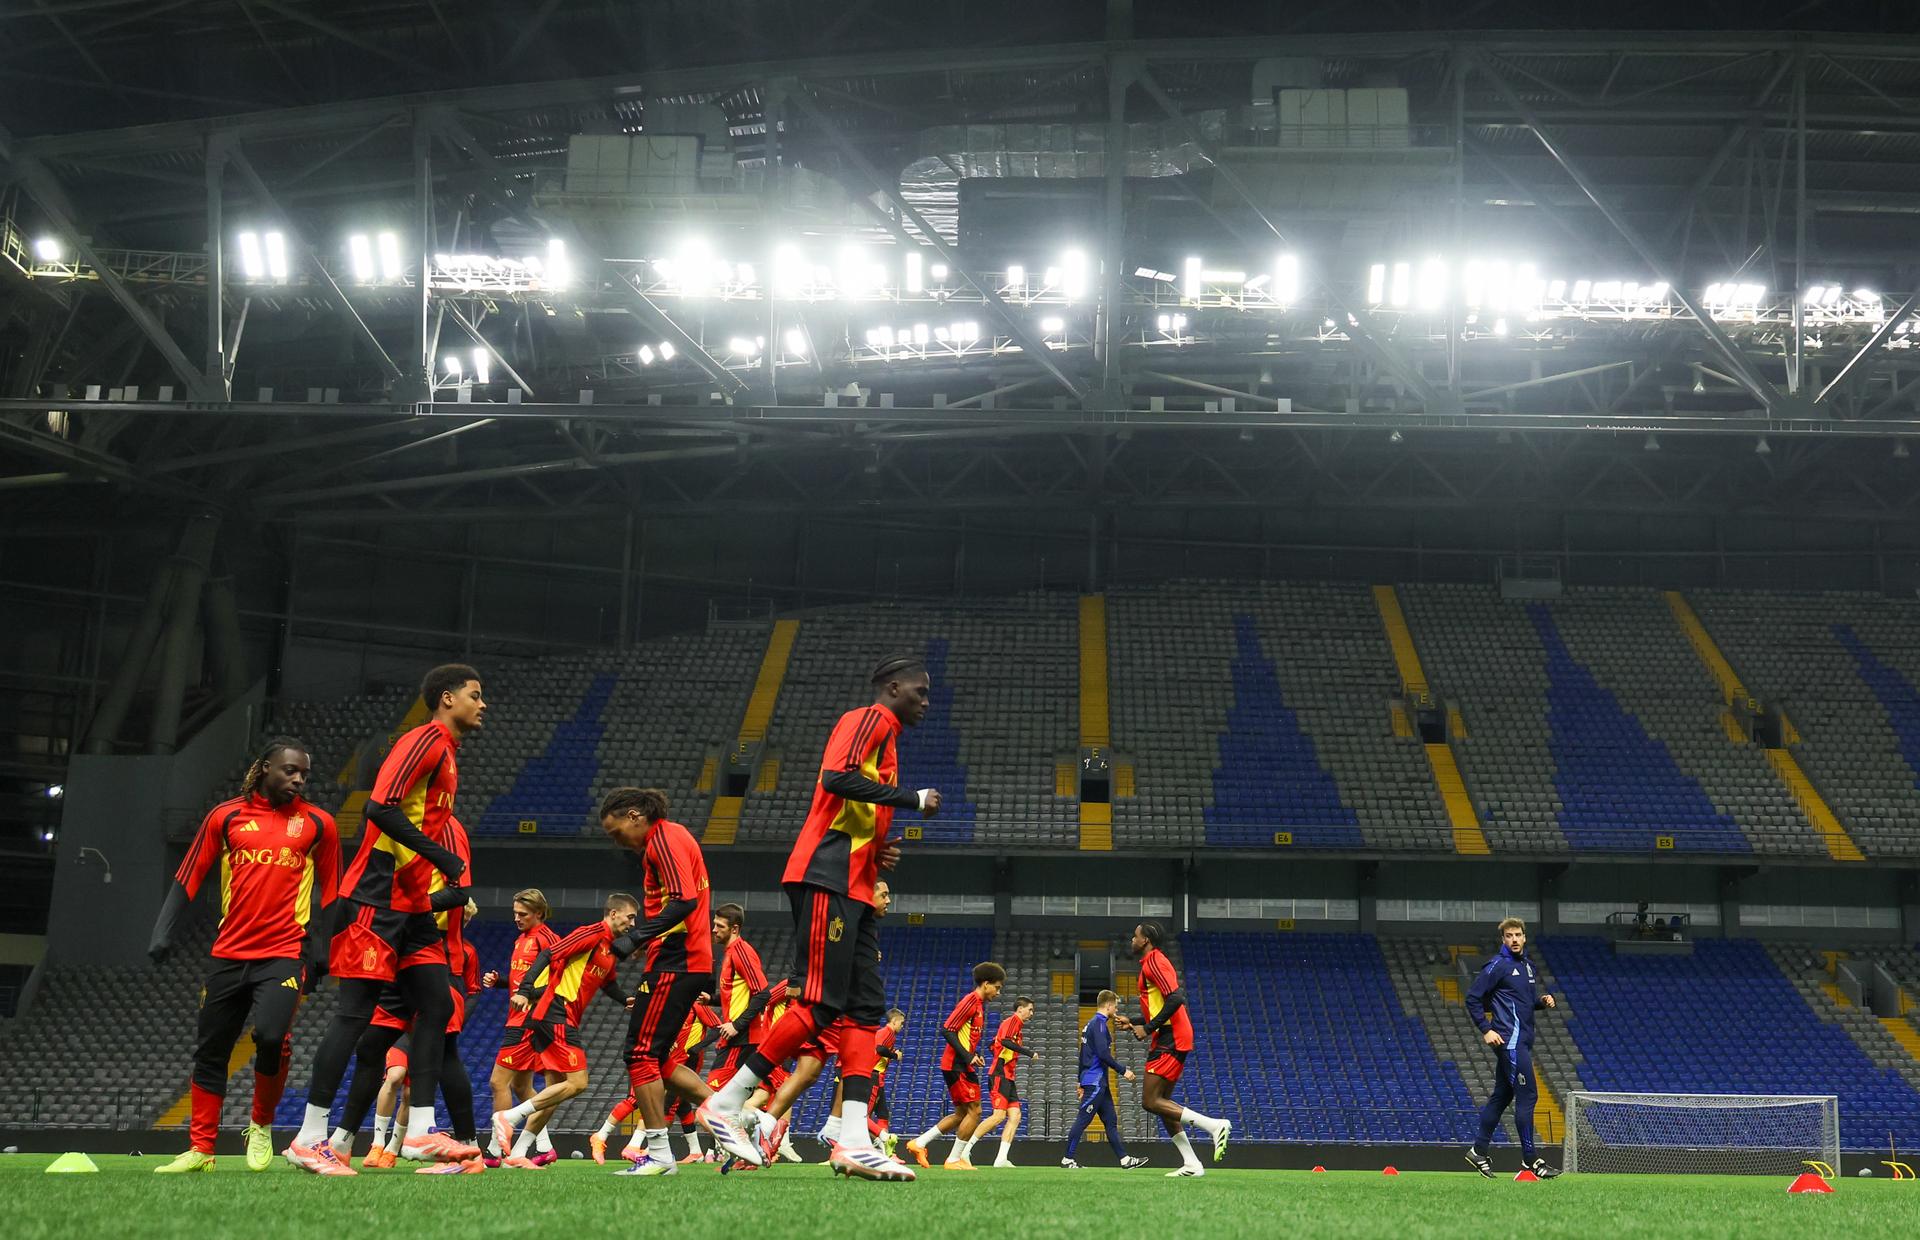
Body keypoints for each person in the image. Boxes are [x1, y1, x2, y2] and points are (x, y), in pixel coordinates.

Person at [697, 655, 941, 1183]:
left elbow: (853, 812)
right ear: (892, 687)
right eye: (919, 690)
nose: (926, 699)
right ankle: (727, 1100)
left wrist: (879, 850)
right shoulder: (870, 719)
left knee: (865, 1008)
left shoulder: (890, 738)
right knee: (821, 1000)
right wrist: (911, 798)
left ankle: (851, 1137)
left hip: (854, 881)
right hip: (825, 875)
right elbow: (835, 778)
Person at [289, 664, 483, 1174]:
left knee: (438, 1005)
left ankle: (419, 1131)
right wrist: (443, 859)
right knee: (355, 1017)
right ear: (446, 698)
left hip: (413, 903)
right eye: (475, 695)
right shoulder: (423, 740)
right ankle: (310, 1137)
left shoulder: (449, 752)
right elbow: (380, 807)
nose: (483, 705)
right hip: (377, 897)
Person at [148, 736, 340, 1174]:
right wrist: (163, 931)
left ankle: (261, 1125)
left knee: (272, 1037)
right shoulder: (226, 816)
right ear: (265, 769)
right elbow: (190, 873)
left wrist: (322, 951)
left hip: (284, 953)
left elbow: (332, 893)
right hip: (228, 954)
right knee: (211, 1050)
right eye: (290, 770)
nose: (298, 779)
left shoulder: (318, 824)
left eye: (304, 774)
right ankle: (201, 1150)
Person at [326, 813, 483, 1174]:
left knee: (444, 1054)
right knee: (370, 1047)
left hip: (437, 961)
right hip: (399, 961)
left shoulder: (446, 829)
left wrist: (413, 904)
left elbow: (459, 891)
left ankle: (470, 1152)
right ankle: (342, 1142)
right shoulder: (397, 832)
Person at [599, 786, 716, 1177]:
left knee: (640, 1053)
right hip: (681, 957)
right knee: (660, 1058)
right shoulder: (675, 835)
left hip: (676, 960)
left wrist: (635, 937)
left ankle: (661, 1155)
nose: (618, 843)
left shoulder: (660, 840)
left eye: (617, 833)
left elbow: (684, 901)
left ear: (634, 815)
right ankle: (727, 1114)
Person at [491, 892, 640, 1165]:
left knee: (557, 1090)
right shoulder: (591, 933)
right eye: (630, 917)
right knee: (578, 1082)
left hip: (565, 1015)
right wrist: (525, 990)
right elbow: (550, 953)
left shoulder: (608, 947)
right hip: (555, 1010)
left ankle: (520, 1153)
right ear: (614, 913)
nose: (632, 923)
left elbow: (607, 983)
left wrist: (623, 1000)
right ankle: (508, 1117)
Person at [1120, 921, 1230, 1178]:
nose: (1132, 940)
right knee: (1161, 1104)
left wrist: (1147, 1029)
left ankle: (1214, 1126)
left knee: (1150, 1101)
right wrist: (1135, 1022)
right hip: (1168, 1034)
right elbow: (1161, 1005)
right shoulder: (1151, 963)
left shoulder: (1155, 962)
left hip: (1172, 1037)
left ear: (1145, 940)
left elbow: (1175, 998)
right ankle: (1192, 1164)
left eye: (1135, 936)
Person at [1463, 916, 1561, 1180]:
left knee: (1502, 1096)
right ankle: (1531, 1160)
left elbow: (1525, 1002)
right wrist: (1486, 1029)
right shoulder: (1497, 966)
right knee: (1528, 1096)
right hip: (1509, 1041)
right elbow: (1472, 998)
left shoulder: (1527, 967)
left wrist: (1542, 1001)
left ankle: (1478, 1151)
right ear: (1503, 939)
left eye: (1518, 935)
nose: (1515, 939)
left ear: (1524, 937)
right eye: (1509, 936)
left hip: (1522, 1041)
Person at [482, 888, 561, 1164]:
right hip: (518, 1017)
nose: (517, 918)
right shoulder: (521, 939)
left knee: (497, 1082)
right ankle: (544, 1146)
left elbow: (556, 982)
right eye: (515, 913)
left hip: (529, 1020)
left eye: (523, 914)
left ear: (539, 913)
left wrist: (529, 997)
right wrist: (502, 982)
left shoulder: (548, 939)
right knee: (521, 1087)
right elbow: (524, 981)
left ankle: (496, 1149)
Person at [904, 961, 1005, 1170]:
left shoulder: (977, 1005)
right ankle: (953, 1159)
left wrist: (974, 1054)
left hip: (960, 1064)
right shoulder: (970, 1001)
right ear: (986, 984)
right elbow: (948, 1029)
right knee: (975, 1112)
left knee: (961, 1114)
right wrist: (968, 1057)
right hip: (957, 1065)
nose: (998, 992)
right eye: (997, 987)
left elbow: (963, 1036)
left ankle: (919, 1143)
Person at [1061, 989, 1147, 1170]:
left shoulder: (1090, 1024)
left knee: (1110, 1121)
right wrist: (1123, 1071)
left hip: (1097, 1082)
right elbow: (1102, 1054)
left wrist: (1079, 1080)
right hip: (1095, 1082)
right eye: (1115, 1006)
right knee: (1083, 1120)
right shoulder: (1099, 1024)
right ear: (1108, 1005)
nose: (1116, 1010)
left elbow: (1082, 1054)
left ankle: (1125, 1160)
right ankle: (1067, 1159)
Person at [709, 903, 772, 1093]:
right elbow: (737, 994)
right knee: (732, 1102)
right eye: (714, 924)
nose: (714, 929)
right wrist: (711, 999)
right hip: (737, 1038)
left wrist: (736, 1026)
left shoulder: (741, 952)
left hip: (742, 1038)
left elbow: (763, 993)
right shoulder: (730, 953)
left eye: (720, 926)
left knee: (711, 1099)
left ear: (734, 929)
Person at [973, 995, 1036, 1167]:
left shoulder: (1014, 1027)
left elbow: (993, 1044)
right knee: (999, 1116)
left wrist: (997, 1050)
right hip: (1000, 1076)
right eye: (1030, 1009)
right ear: (1020, 1009)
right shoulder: (1014, 1021)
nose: (1032, 1013)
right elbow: (1005, 1041)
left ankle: (1001, 1159)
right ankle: (965, 1148)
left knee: (1015, 1116)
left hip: (1008, 1077)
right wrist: (1029, 1053)